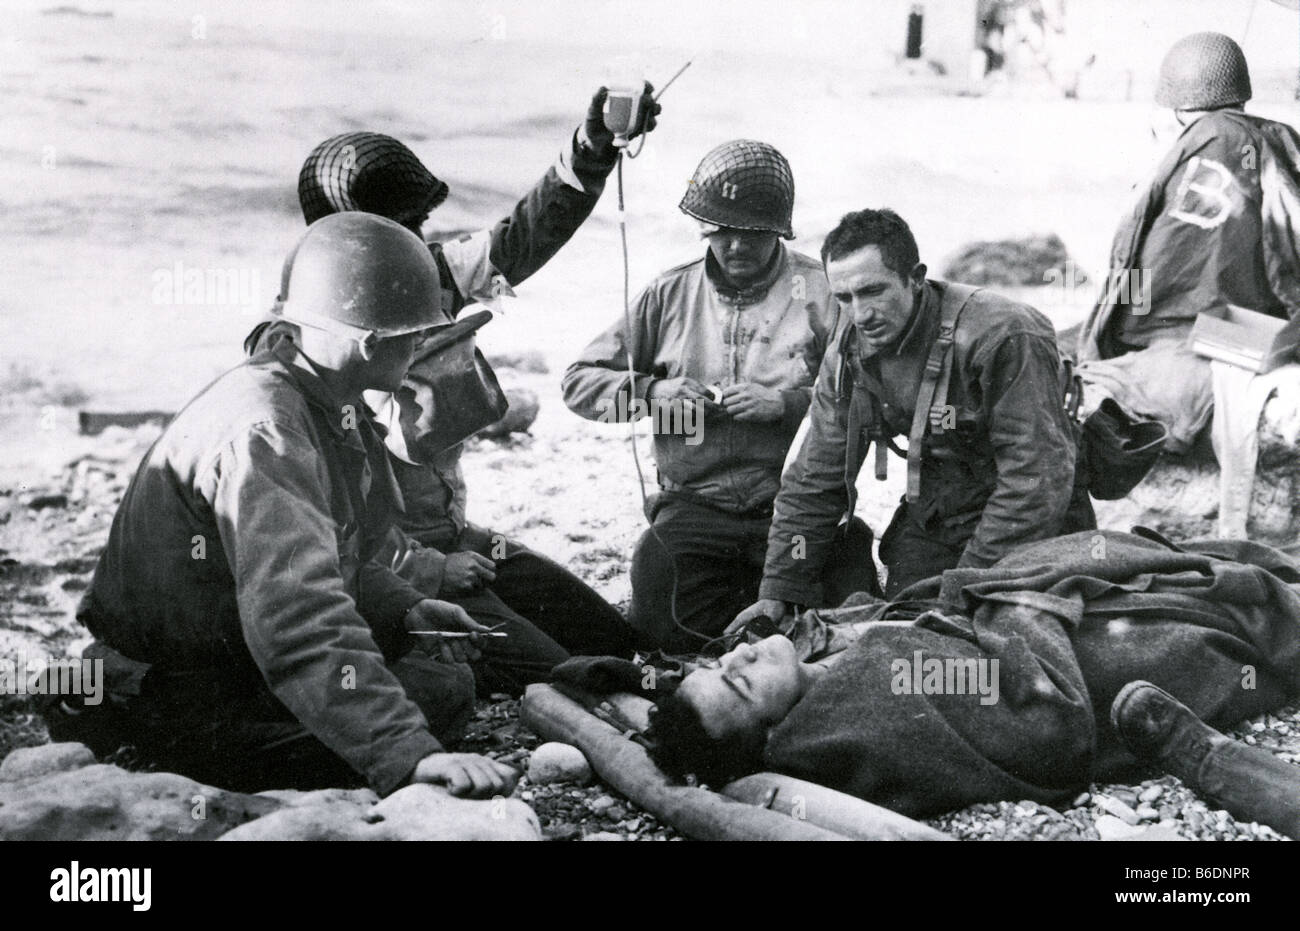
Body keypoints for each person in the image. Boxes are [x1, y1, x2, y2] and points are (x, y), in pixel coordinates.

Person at [47, 214, 517, 799]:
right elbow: (297, 615)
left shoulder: (311, 396)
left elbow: (328, 555)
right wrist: (408, 755)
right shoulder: (269, 430)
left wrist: (408, 608)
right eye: (414, 335)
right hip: (163, 695)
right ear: (371, 342)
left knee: (438, 677)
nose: (421, 345)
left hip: (201, 658)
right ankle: (139, 747)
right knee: (437, 695)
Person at [247, 86, 660, 677]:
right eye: (400, 227)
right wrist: (423, 572)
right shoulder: (292, 347)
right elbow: (315, 521)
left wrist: (594, 149)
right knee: (555, 670)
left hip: (457, 537)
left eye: (418, 225)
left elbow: (524, 234)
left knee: (611, 639)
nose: (415, 241)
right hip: (386, 568)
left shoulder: (431, 274)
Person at [649, 530, 1300, 833]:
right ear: (774, 729)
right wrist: (1017, 601)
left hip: (1056, 608)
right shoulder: (877, 693)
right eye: (737, 687)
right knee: (1235, 602)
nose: (733, 661)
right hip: (1103, 653)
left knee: (1214, 561)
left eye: (714, 665)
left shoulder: (829, 655)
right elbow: (1046, 711)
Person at [561, 140, 876, 652]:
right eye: (721, 231)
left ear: (779, 230)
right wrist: (653, 393)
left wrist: (789, 405)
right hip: (693, 509)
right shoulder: (668, 295)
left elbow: (873, 399)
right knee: (664, 641)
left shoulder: (820, 292)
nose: (735, 247)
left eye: (751, 234)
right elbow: (579, 385)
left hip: (796, 506)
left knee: (851, 618)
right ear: (703, 228)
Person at [732, 207, 1092, 623]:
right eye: (844, 298)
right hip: (940, 514)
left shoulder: (1004, 336)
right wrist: (778, 588)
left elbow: (1036, 480)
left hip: (1038, 521)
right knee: (903, 621)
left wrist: (963, 589)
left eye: (872, 291)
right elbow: (816, 476)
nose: (860, 314)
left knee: (995, 630)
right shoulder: (849, 350)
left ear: (916, 278)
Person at [1075, 32, 1300, 453]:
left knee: (1081, 357)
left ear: (1176, 106)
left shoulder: (1199, 142)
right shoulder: (1281, 137)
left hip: (1199, 336)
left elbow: (1141, 278)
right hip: (1275, 329)